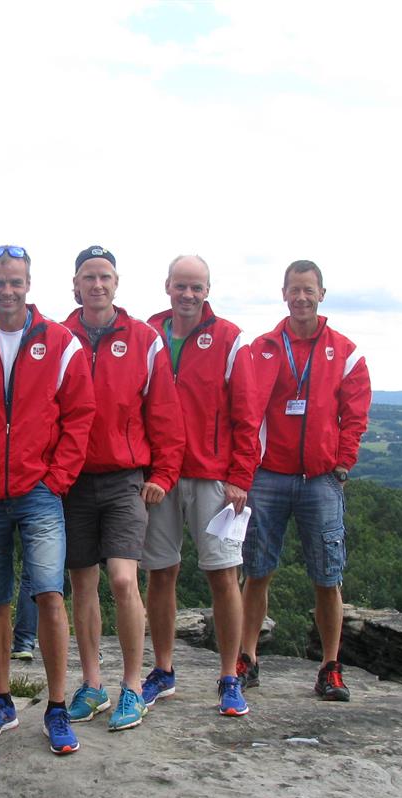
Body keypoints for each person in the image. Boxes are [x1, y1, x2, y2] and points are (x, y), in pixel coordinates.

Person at [0, 244, 96, 755]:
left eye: (15, 281)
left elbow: (80, 414)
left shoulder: (59, 341)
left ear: (28, 284)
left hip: (39, 492)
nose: (6, 290)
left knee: (50, 595)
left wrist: (58, 478)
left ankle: (56, 708)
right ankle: (2, 701)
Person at [61, 246, 184, 731]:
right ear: (75, 284)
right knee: (82, 582)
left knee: (122, 579)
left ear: (117, 283)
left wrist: (162, 474)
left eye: (105, 277)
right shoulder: (57, 337)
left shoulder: (143, 339)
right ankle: (92, 685)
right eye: (88, 277)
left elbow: (165, 414)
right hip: (72, 480)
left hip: (124, 479)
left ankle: (133, 686)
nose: (97, 285)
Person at [240, 260, 371, 701]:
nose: (301, 297)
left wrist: (343, 462)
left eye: (308, 290)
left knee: (327, 577)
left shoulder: (344, 351)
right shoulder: (263, 348)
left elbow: (356, 412)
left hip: (320, 480)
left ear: (322, 293)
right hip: (268, 476)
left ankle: (330, 667)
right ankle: (247, 658)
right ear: (283, 293)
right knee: (257, 572)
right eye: (294, 290)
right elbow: (246, 412)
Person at [141, 255, 260, 718]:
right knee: (161, 572)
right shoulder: (149, 333)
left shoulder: (230, 339)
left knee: (223, 575)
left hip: (213, 476)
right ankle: (164, 670)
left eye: (197, 288)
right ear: (167, 286)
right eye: (181, 286)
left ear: (208, 290)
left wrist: (240, 477)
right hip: (159, 474)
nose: (188, 295)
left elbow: (247, 414)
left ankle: (230, 676)